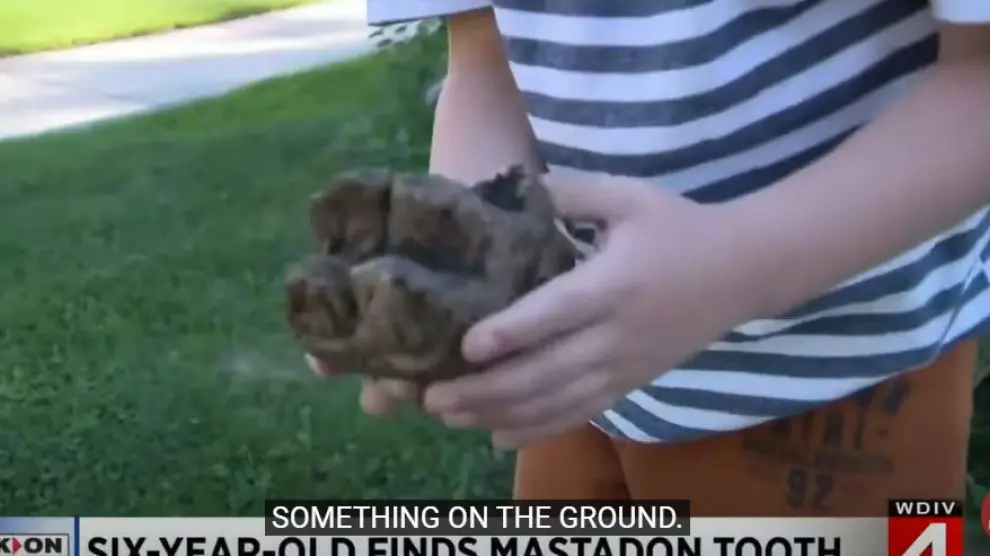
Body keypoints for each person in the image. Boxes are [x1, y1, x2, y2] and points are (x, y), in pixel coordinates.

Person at [307, 0, 990, 515]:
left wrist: (732, 272)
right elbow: (485, 65)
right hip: (575, 359)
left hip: (840, 375)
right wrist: (463, 285)